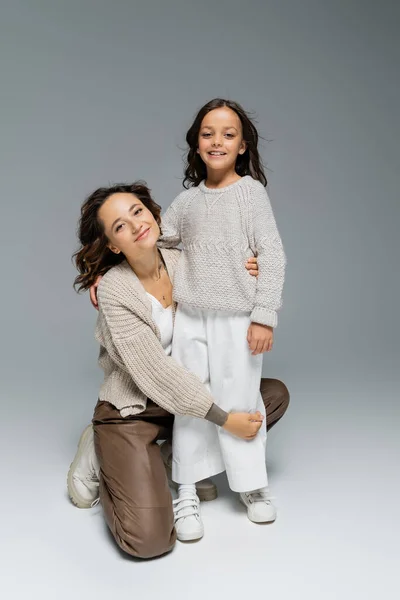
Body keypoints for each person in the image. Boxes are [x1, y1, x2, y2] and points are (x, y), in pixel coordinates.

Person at [70, 181, 273, 559]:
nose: (135, 225)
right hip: (136, 408)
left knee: (271, 396)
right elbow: (156, 374)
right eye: (119, 226)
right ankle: (100, 451)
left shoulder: (183, 261)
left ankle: (176, 451)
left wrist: (252, 267)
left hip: (183, 405)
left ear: (151, 212)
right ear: (113, 245)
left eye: (137, 211)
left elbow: (231, 268)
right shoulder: (115, 290)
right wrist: (223, 419)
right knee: (149, 541)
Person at [157, 98, 287, 540]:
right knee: (193, 399)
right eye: (208, 133)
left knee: (241, 397)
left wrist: (264, 315)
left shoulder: (251, 193)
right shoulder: (185, 202)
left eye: (228, 134)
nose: (217, 141)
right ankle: (189, 486)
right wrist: (104, 271)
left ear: (243, 145)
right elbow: (158, 245)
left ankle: (251, 485)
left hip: (237, 318)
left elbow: (272, 253)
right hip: (191, 317)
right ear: (196, 143)